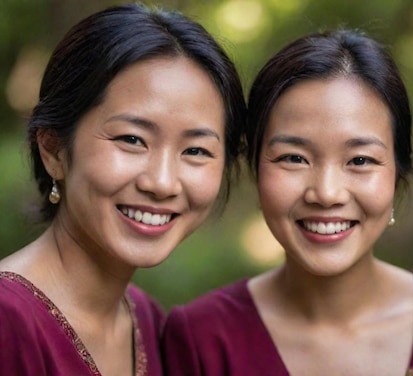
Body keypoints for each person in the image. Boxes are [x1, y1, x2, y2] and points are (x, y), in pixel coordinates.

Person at [162, 29, 413, 376]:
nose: (326, 193)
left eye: (360, 160)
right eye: (294, 158)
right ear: (255, 172)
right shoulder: (199, 338)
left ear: (398, 175)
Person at [0, 3, 245, 375]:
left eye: (195, 150)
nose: (162, 182)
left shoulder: (146, 320)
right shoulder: (8, 321)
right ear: (53, 150)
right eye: (132, 139)